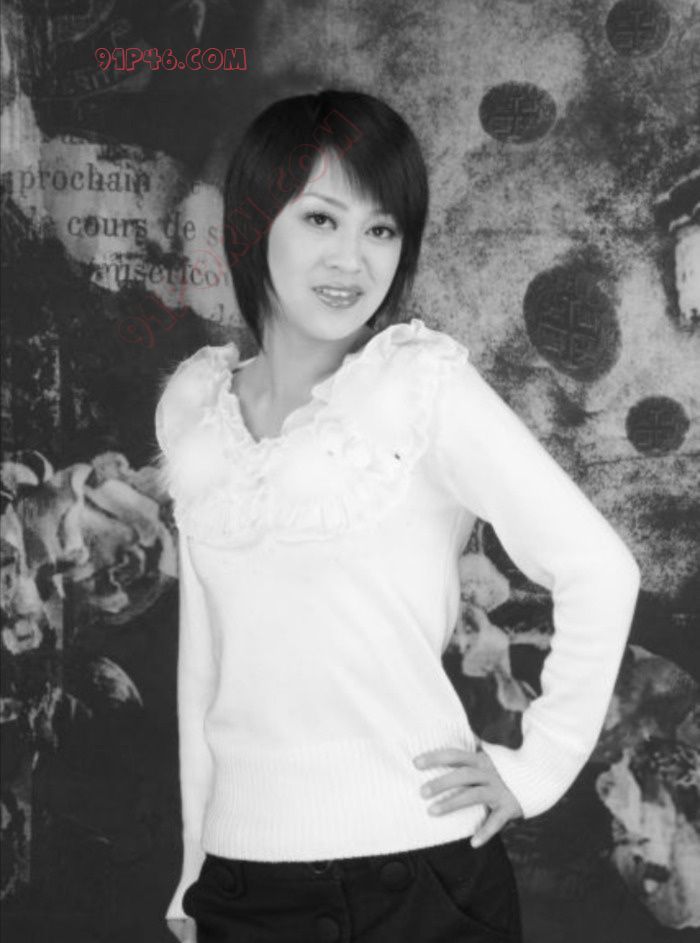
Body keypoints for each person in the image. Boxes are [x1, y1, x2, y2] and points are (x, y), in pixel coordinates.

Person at [154, 89, 641, 943]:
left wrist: (538, 766)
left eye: (381, 230)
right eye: (321, 219)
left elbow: (601, 569)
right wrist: (195, 871)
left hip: (423, 881)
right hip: (243, 886)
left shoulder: (420, 386)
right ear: (255, 223)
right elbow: (206, 668)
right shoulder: (195, 410)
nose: (352, 259)